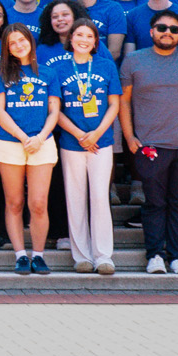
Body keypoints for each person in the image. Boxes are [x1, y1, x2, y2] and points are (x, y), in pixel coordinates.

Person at [121, 9, 178, 274]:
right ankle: (155, 255)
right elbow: (124, 101)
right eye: (162, 28)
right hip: (150, 145)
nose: (168, 33)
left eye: (174, 29)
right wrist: (129, 137)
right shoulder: (133, 60)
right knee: (154, 203)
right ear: (151, 31)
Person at [0, 23, 60, 275]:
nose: (18, 45)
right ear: (7, 48)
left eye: (22, 40)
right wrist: (23, 137)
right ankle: (20, 255)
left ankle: (38, 255)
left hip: (42, 143)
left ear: (31, 41)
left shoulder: (48, 73)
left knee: (39, 203)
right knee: (14, 201)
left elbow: (54, 111)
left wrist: (40, 137)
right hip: (10, 143)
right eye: (12, 43)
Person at [52, 21, 121, 274]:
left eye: (89, 36)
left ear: (95, 42)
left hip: (100, 142)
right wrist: (81, 134)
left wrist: (97, 133)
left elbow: (114, 104)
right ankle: (81, 255)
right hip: (72, 141)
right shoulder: (57, 69)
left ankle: (103, 256)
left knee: (100, 197)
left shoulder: (105, 65)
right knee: (75, 196)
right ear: (70, 39)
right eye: (79, 34)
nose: (83, 39)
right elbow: (54, 110)